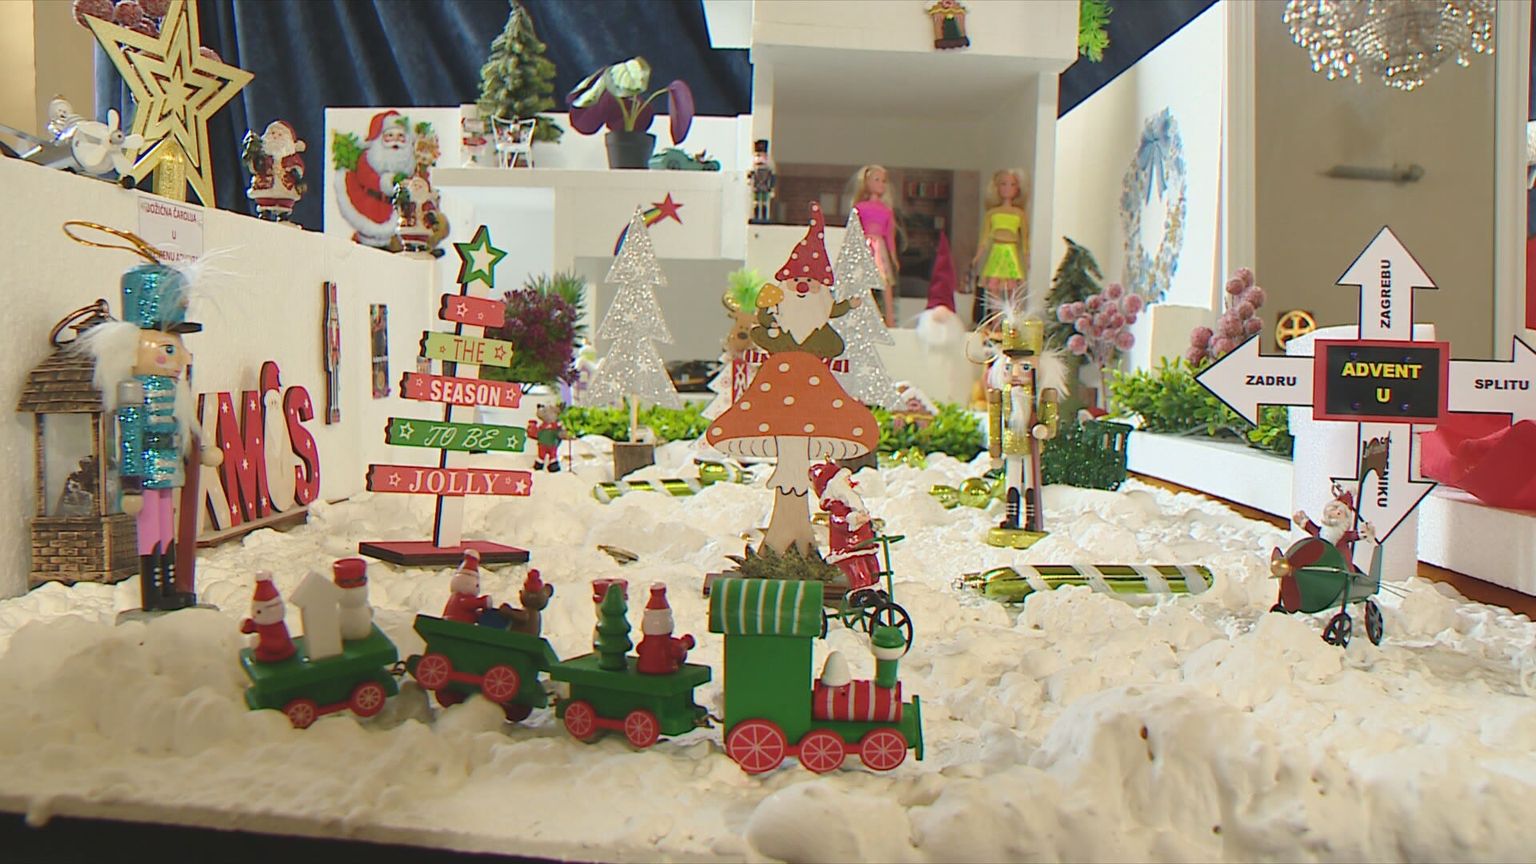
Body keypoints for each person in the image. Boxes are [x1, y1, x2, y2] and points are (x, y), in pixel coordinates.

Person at [335, 110, 415, 248]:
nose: (395, 141)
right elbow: (365, 176)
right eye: (390, 136)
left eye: (400, 136)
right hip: (369, 206)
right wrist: (385, 182)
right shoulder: (368, 157)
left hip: (393, 210)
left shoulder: (409, 163)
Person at [971, 169, 1029, 326]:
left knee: (1013, 291)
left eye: (1012, 184)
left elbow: (1024, 239)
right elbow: (984, 238)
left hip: (1011, 253)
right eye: (1003, 184)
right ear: (996, 187)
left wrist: (1026, 258)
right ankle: (995, 322)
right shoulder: (992, 213)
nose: (1007, 188)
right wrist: (978, 256)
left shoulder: (1019, 214)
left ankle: (1012, 323)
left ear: (1018, 189)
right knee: (993, 289)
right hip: (996, 252)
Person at [850, 165, 900, 327]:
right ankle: (859, 315)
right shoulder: (859, 208)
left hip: (880, 249)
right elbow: (853, 231)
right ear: (866, 183)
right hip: (864, 246)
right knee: (861, 281)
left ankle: (890, 318)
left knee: (885, 282)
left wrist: (893, 257)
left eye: (883, 181)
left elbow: (890, 236)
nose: (881, 184)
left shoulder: (887, 211)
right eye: (876, 180)